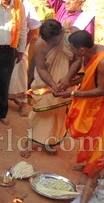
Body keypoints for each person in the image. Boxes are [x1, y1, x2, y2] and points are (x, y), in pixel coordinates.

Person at [54, 30, 104, 171]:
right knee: (93, 129)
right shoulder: (95, 51)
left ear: (82, 50)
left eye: (72, 49)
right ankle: (90, 164)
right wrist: (69, 82)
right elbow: (91, 76)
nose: (72, 52)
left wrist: (73, 93)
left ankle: (96, 170)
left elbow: (101, 90)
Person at [20, 19, 80, 158]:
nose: (50, 44)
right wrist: (53, 85)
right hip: (46, 82)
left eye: (53, 41)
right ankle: (30, 142)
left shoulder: (71, 37)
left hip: (66, 80)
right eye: (48, 41)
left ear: (60, 33)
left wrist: (67, 79)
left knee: (58, 114)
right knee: (38, 111)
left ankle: (49, 142)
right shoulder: (41, 44)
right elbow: (40, 68)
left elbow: (78, 59)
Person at [7, 0, 41, 117]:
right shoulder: (4, 4)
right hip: (3, 47)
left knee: (19, 75)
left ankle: (22, 102)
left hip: (20, 47)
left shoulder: (27, 6)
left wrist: (22, 47)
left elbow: (33, 27)